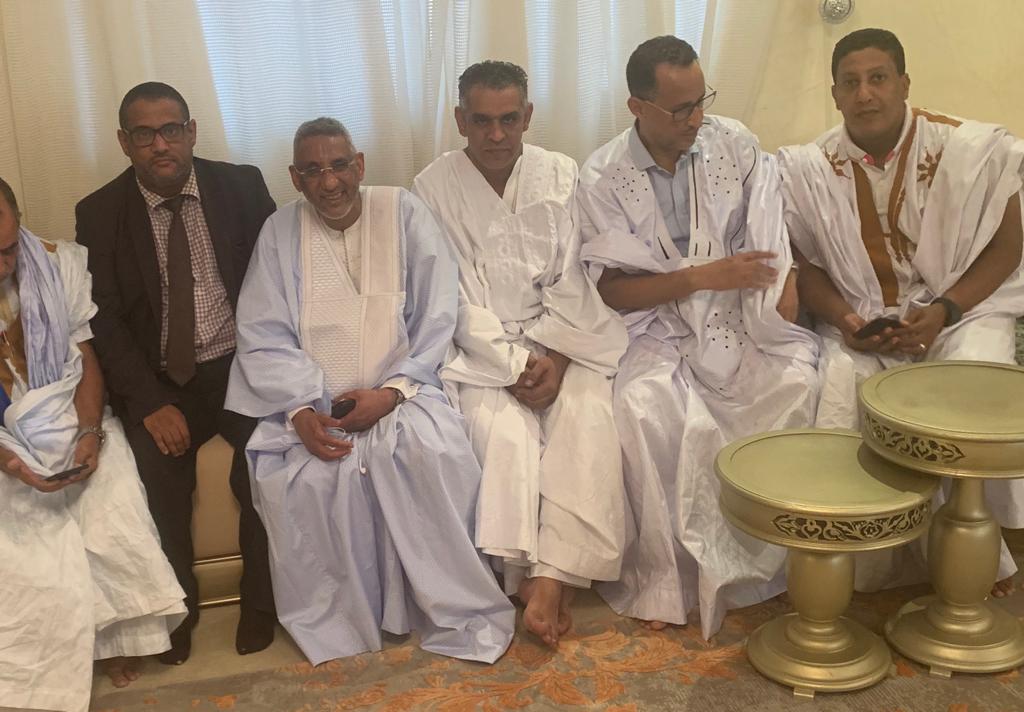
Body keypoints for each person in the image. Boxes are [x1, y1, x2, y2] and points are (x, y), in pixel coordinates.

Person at [224, 117, 515, 665]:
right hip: (316, 406)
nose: (329, 182)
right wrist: (301, 412)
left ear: (359, 165)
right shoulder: (279, 232)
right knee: (312, 480)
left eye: (339, 166)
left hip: (405, 390)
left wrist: (393, 392)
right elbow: (262, 335)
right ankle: (351, 621)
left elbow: (437, 312)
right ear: (295, 178)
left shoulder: (404, 211)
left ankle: (439, 605)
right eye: (313, 171)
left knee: (430, 455)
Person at [576, 36, 820, 638]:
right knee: (644, 408)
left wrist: (778, 295)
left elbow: (769, 239)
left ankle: (772, 565)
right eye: (680, 109)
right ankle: (670, 580)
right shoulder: (602, 175)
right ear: (637, 107)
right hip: (654, 326)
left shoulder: (733, 144)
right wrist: (699, 278)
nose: (696, 120)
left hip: (739, 312)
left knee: (794, 383)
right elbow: (612, 291)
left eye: (701, 101)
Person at [778, 28, 1024, 595]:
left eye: (878, 78)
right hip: (864, 320)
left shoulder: (974, 150)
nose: (865, 94)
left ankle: (975, 549)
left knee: (971, 377)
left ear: (905, 83)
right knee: (840, 385)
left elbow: (1009, 247)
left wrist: (945, 311)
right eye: (850, 83)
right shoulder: (809, 167)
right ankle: (867, 559)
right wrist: (848, 323)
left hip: (962, 310)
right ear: (835, 94)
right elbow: (805, 265)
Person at [413, 61, 628, 649]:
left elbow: (578, 277)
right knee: (502, 434)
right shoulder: (431, 187)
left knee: (589, 417)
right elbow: (450, 295)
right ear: (460, 119)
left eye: (509, 119)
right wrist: (510, 367)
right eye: (481, 121)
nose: (496, 134)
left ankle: (550, 578)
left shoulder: (561, 173)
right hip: (479, 349)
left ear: (528, 116)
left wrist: (555, 356)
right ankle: (523, 575)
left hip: (564, 340)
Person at [75, 82, 277, 664]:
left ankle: (261, 604)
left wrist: (274, 372)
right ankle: (178, 611)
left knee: (265, 465)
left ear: (191, 132)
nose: (160, 145)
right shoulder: (100, 212)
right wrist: (147, 403)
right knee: (158, 483)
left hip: (241, 368)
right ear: (124, 142)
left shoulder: (242, 187)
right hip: (161, 380)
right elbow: (104, 319)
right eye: (144, 134)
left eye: (170, 130)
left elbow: (281, 280)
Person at [0, 177, 186, 711]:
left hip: (71, 416)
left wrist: (88, 434)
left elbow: (86, 362)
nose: (4, 265)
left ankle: (111, 641)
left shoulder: (58, 263)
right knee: (26, 538)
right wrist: (13, 464)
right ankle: (49, 659)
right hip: (7, 439)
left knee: (111, 501)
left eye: (9, 249)